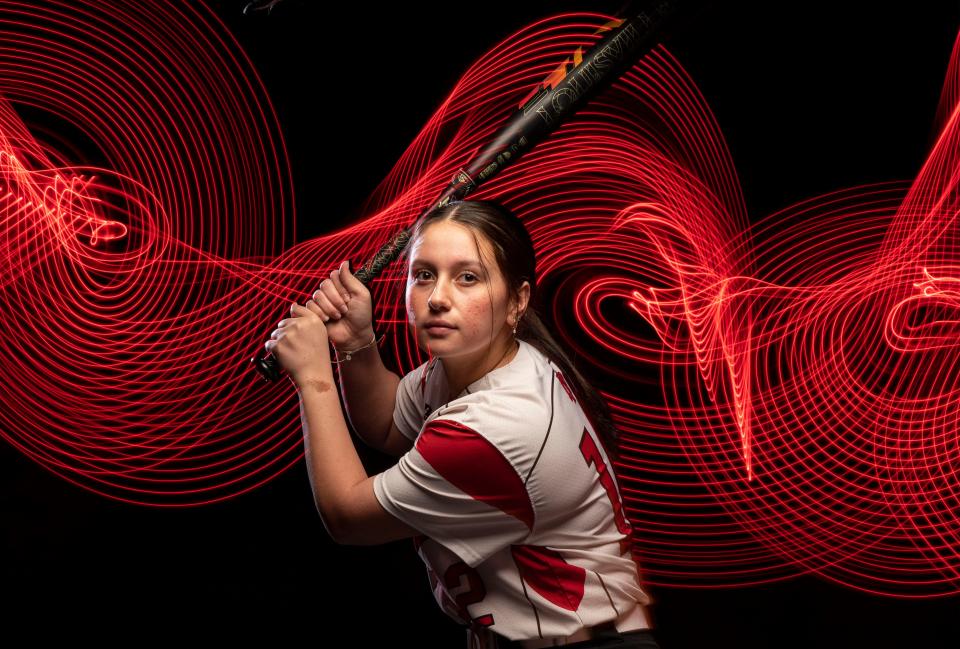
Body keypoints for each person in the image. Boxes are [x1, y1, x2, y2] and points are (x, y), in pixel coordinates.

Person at [265, 200, 660, 649]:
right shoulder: (483, 363)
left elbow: (347, 518)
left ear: (518, 302)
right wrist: (356, 342)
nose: (437, 297)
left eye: (467, 277)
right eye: (424, 274)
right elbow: (388, 424)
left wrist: (313, 377)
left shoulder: (499, 426)